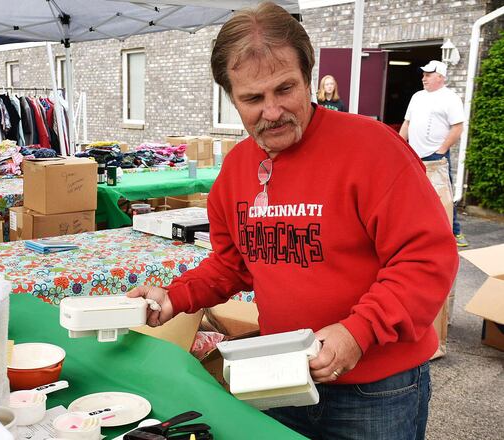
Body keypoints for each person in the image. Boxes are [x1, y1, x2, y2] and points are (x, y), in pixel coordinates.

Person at [128, 3, 457, 439]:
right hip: (280, 379)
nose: (272, 111)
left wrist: (357, 332)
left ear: (308, 78)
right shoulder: (235, 171)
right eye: (252, 98)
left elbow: (426, 260)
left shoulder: (373, 150)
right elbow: (232, 263)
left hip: (377, 392)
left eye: (285, 89)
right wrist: (174, 297)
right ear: (231, 97)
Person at [399, 60, 468, 247]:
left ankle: (455, 232)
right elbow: (407, 123)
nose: (424, 78)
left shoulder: (450, 98)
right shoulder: (417, 97)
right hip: (413, 154)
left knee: (442, 194)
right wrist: (399, 145)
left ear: (440, 77)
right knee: (413, 194)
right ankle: (416, 232)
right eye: (423, 75)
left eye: (428, 75)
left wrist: (441, 150)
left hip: (436, 156)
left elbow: (458, 127)